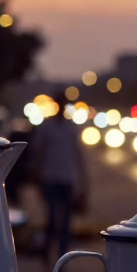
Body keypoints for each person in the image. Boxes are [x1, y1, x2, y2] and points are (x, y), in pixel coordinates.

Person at [31, 93, 90, 263]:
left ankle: (62, 257)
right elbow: (38, 151)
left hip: (67, 179)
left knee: (65, 221)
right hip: (50, 178)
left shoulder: (71, 127)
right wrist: (36, 174)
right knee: (51, 217)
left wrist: (83, 183)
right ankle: (46, 249)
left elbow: (78, 155)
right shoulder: (47, 126)